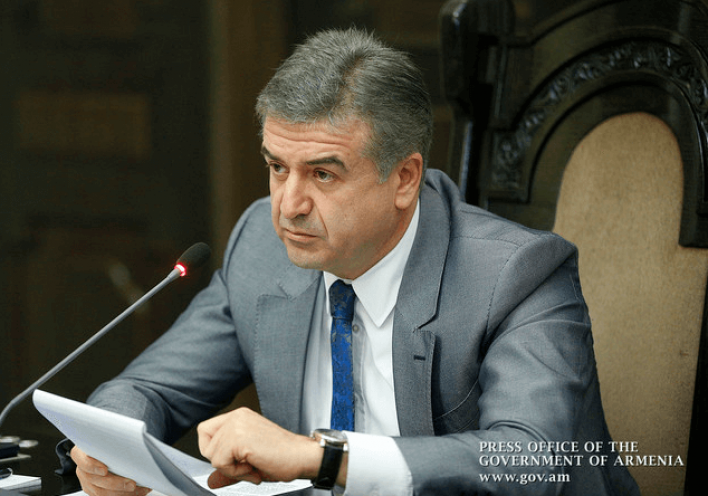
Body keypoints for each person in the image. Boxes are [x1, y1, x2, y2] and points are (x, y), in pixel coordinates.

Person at [65, 28, 640, 495]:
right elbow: (149, 389)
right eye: (277, 167)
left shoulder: (516, 275)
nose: (288, 206)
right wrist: (109, 444)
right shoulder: (262, 247)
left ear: (404, 178)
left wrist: (322, 458)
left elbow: (530, 462)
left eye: (322, 174)